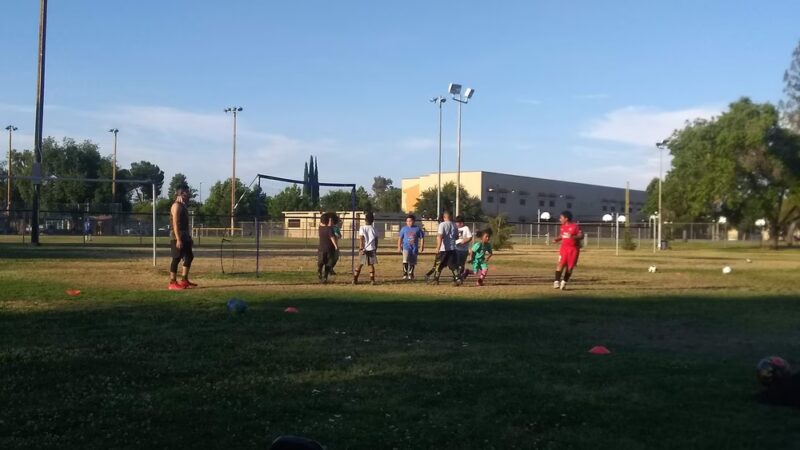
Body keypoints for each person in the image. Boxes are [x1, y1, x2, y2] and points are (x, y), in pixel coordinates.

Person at [168, 184, 196, 290]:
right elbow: (175, 223)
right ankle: (172, 283)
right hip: (177, 236)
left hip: (185, 235)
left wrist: (188, 236)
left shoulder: (183, 205)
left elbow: (185, 223)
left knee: (189, 256)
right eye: (186, 192)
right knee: (176, 258)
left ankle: (184, 280)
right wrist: (178, 239)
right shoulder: (176, 206)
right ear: (181, 193)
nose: (188, 194)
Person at [553, 210, 583, 290]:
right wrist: (556, 239)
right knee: (560, 264)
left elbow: (581, 235)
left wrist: (573, 237)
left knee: (570, 267)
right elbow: (562, 235)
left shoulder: (575, 226)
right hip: (564, 249)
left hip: (573, 250)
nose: (560, 219)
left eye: (561, 218)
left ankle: (564, 282)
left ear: (566, 218)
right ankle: (556, 282)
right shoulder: (562, 227)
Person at [430, 211, 461, 286]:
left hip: (443, 249)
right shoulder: (454, 225)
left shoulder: (442, 224)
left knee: (439, 264)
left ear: (444, 217)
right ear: (450, 217)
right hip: (452, 248)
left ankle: (436, 279)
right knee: (453, 265)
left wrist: (438, 247)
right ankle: (457, 279)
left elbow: (440, 236)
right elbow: (457, 237)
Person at [397, 214, 425, 280]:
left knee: (412, 262)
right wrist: (399, 246)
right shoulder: (404, 229)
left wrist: (421, 247)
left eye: (410, 221)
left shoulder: (417, 229)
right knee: (405, 260)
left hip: (414, 248)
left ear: (414, 221)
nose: (409, 222)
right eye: (407, 221)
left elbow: (422, 238)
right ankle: (405, 274)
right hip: (406, 247)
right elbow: (400, 238)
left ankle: (411, 274)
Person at [353, 211, 379, 285]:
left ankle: (355, 279)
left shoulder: (362, 228)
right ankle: (372, 280)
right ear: (373, 220)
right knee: (371, 265)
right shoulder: (374, 229)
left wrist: (361, 248)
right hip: (372, 249)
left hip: (364, 249)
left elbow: (361, 239)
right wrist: (375, 249)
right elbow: (376, 241)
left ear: (365, 220)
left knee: (360, 264)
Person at [317, 212, 338, 283]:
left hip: (321, 249)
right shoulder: (329, 229)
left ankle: (319, 269)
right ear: (328, 221)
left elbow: (321, 222)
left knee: (321, 262)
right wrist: (336, 246)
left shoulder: (320, 228)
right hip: (329, 249)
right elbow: (332, 238)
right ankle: (325, 277)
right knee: (328, 264)